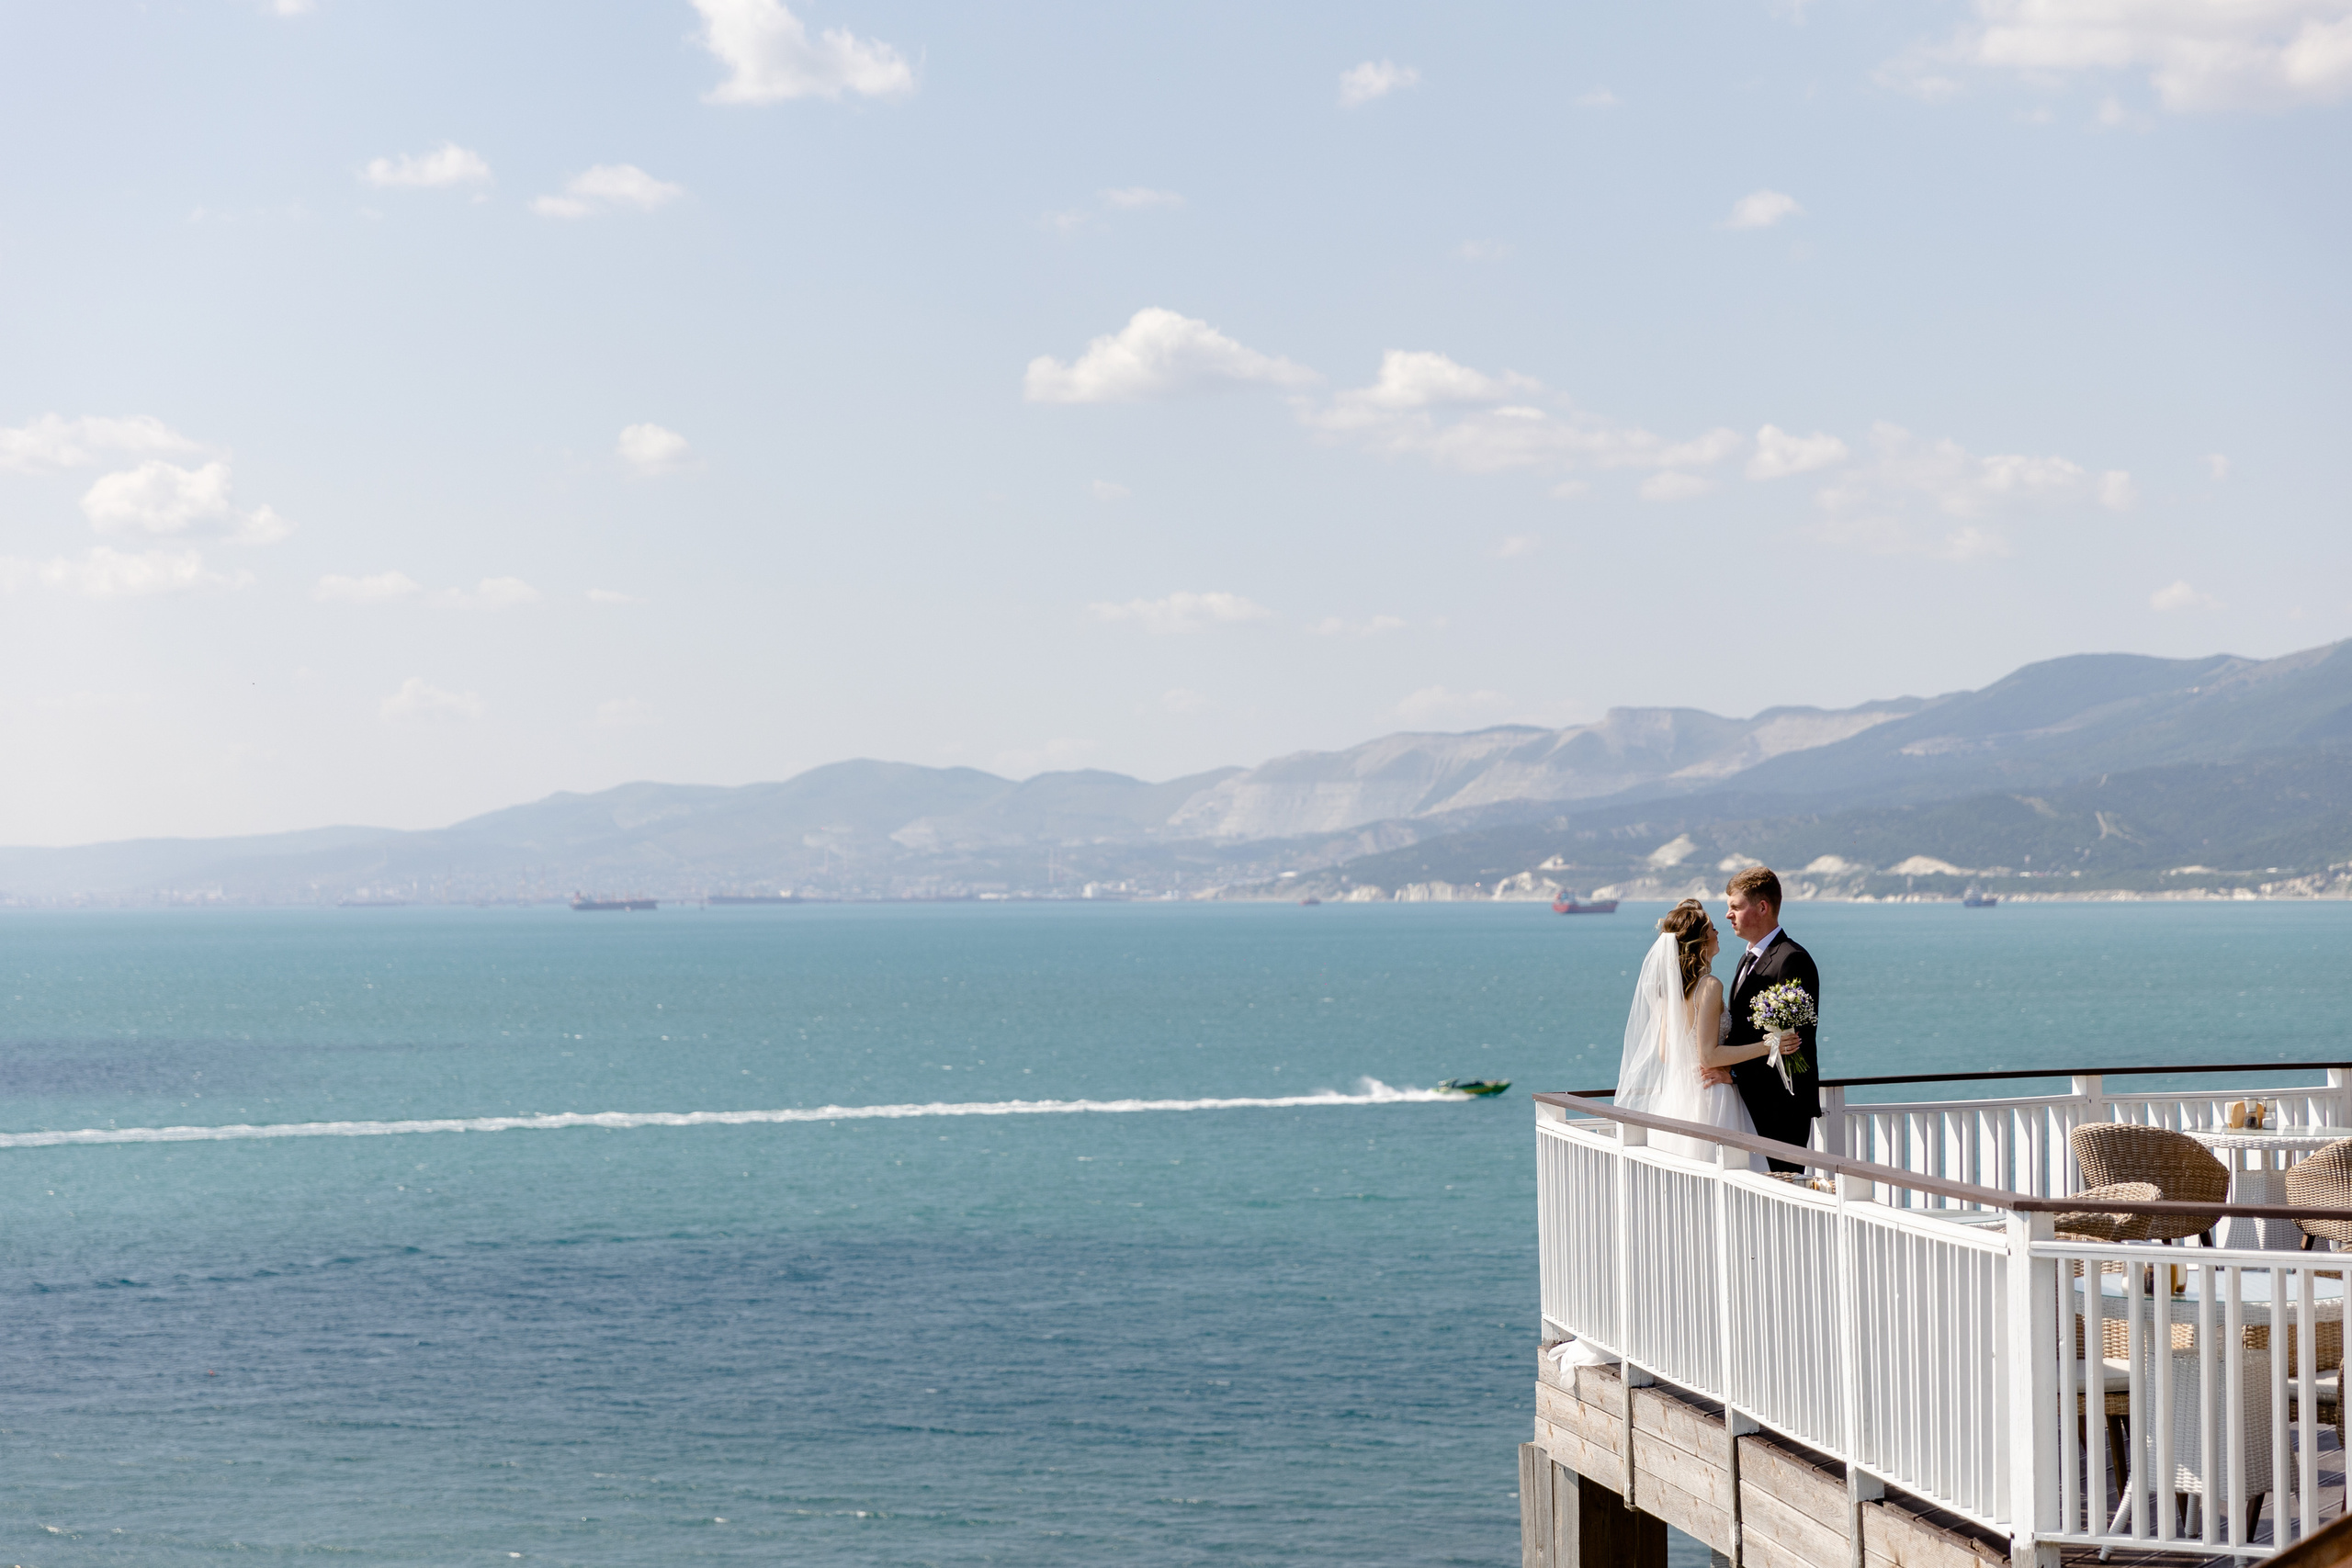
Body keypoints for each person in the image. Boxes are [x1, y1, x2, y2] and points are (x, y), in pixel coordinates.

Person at [1614, 899, 1794, 1162]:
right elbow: (1708, 1057)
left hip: (1680, 1097)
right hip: (1711, 1094)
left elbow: (1666, 1053)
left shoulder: (1671, 993)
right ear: (1700, 941)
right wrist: (1770, 1045)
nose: (1717, 932)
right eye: (1711, 928)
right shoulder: (1709, 986)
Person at [1701, 866, 1822, 1173]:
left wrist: (1737, 1078)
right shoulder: (1746, 957)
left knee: (1781, 1194)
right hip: (1748, 1103)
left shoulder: (1791, 959)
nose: (1728, 915)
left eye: (1735, 907)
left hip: (1780, 1108)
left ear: (1763, 907)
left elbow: (1795, 1044)